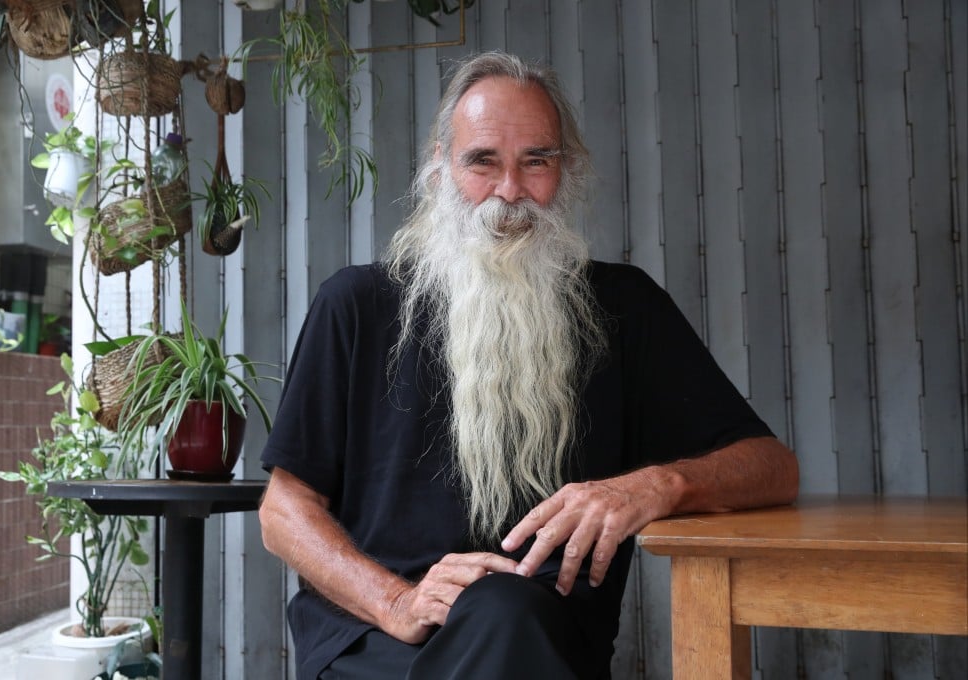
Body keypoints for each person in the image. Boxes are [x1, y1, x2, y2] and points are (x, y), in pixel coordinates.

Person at [258, 51, 799, 680]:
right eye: (482, 162)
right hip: (379, 642)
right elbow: (284, 511)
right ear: (440, 169)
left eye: (535, 162)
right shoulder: (356, 304)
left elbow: (772, 469)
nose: (511, 192)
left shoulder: (623, 308)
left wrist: (654, 486)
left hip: (539, 636)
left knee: (507, 613)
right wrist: (395, 599)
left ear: (565, 174)